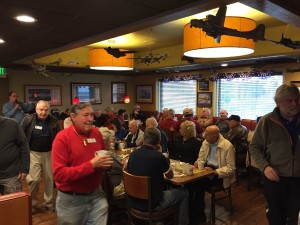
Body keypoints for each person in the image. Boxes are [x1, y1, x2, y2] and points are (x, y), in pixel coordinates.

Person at [52, 102, 114, 225]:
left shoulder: (96, 134)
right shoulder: (62, 138)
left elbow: (101, 161)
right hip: (71, 201)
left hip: (97, 196)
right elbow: (59, 174)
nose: (90, 119)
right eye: (85, 115)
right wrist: (91, 165)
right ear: (73, 117)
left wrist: (106, 165)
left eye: (92, 115)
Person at [249, 84, 300, 225]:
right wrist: (265, 167)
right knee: (276, 216)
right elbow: (254, 147)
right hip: (275, 178)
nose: (295, 103)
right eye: (289, 100)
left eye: (297, 99)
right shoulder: (267, 121)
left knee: (296, 217)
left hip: (298, 179)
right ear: (277, 102)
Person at [126, 127, 189, 225]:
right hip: (152, 204)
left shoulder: (133, 154)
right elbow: (170, 176)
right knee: (184, 192)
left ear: (144, 138)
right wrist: (160, 154)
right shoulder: (158, 156)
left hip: (133, 201)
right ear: (159, 140)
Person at [20, 100, 60, 213]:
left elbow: (58, 138)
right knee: (34, 180)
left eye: (46, 110)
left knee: (49, 179)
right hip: (33, 153)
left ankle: (49, 203)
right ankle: (32, 204)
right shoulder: (28, 119)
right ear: (36, 110)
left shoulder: (53, 121)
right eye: (41, 109)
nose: (43, 112)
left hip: (49, 153)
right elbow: (20, 134)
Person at [191, 125, 235, 223]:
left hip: (219, 174)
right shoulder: (206, 142)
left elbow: (231, 168)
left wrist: (215, 172)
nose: (203, 136)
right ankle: (191, 211)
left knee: (198, 184)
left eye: (206, 134)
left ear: (214, 136)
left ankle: (199, 215)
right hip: (207, 168)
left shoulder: (227, 146)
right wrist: (198, 162)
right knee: (190, 182)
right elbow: (201, 157)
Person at [0, 116, 30, 194]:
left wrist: (24, 168)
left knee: (14, 205)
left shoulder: (12, 124)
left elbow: (24, 146)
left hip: (11, 175)